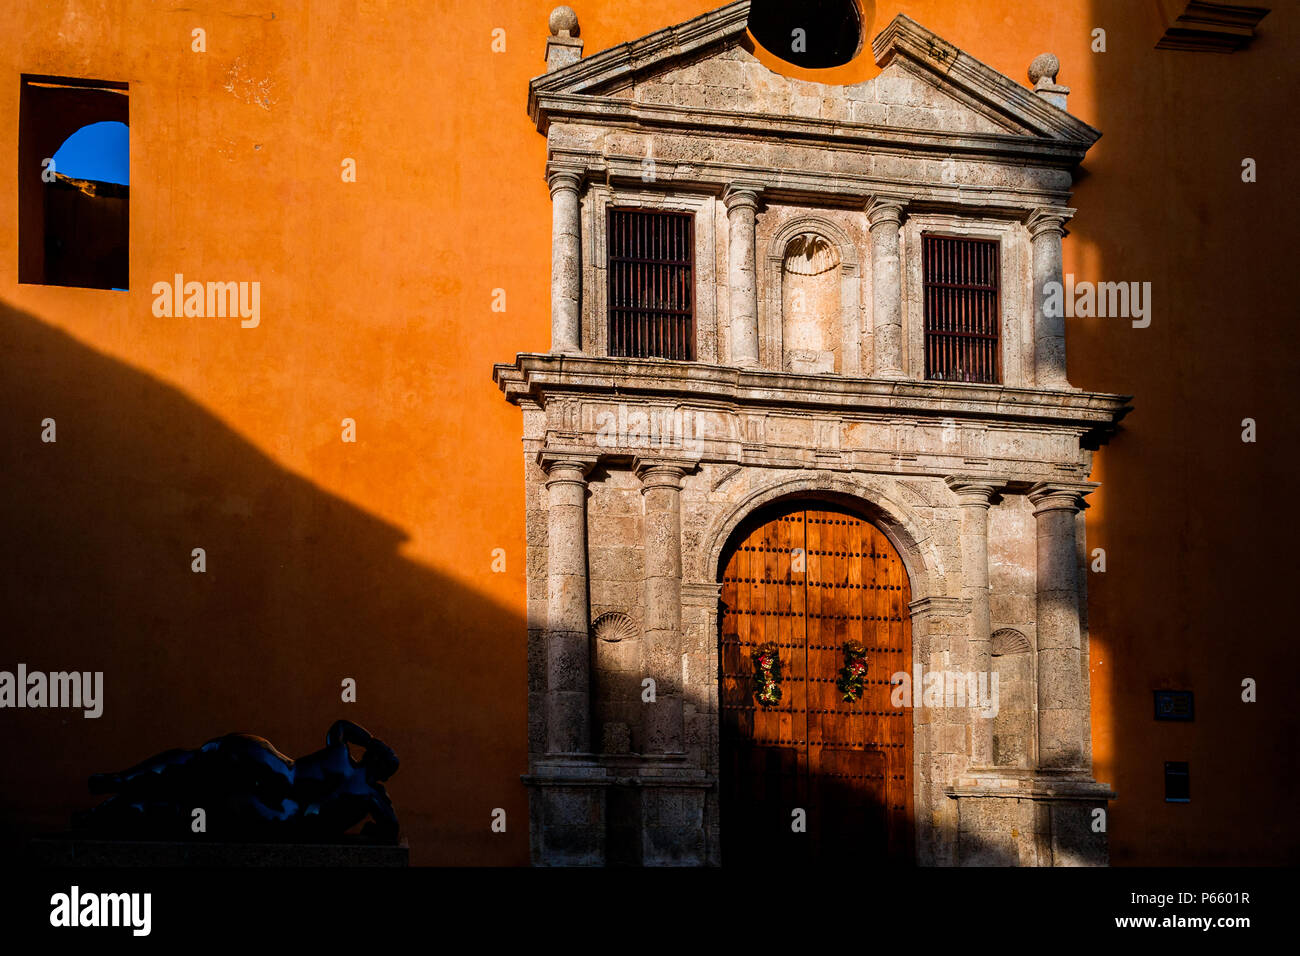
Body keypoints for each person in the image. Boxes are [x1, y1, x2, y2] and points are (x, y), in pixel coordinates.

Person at [75, 719, 400, 842]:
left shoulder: (346, 759)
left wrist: (370, 741)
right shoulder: (365, 789)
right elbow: (389, 827)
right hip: (283, 805)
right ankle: (107, 802)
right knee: (188, 801)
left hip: (278, 777)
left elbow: (341, 726)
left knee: (193, 776)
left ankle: (115, 790)